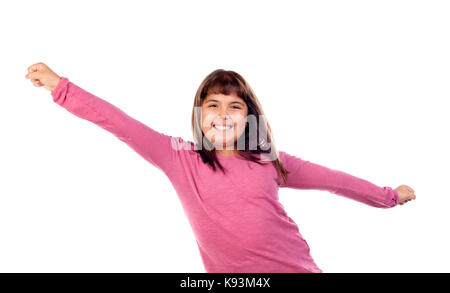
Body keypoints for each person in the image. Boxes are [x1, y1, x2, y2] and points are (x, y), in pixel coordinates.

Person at [25, 62, 416, 273]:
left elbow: (336, 181)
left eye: (235, 106)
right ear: (200, 115)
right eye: (213, 105)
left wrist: (389, 197)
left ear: (249, 119)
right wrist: (61, 87)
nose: (224, 115)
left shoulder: (269, 161)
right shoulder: (179, 157)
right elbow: (120, 123)